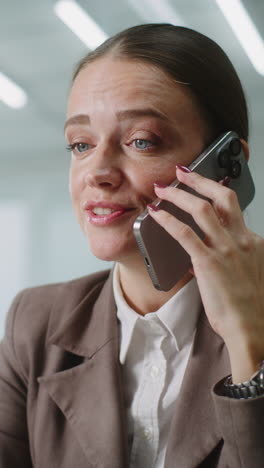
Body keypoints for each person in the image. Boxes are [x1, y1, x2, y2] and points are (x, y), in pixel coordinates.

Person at [1, 23, 264, 468]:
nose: (97, 171)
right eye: (80, 144)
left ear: (225, 164)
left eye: (141, 141)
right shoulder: (36, 321)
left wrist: (250, 345)